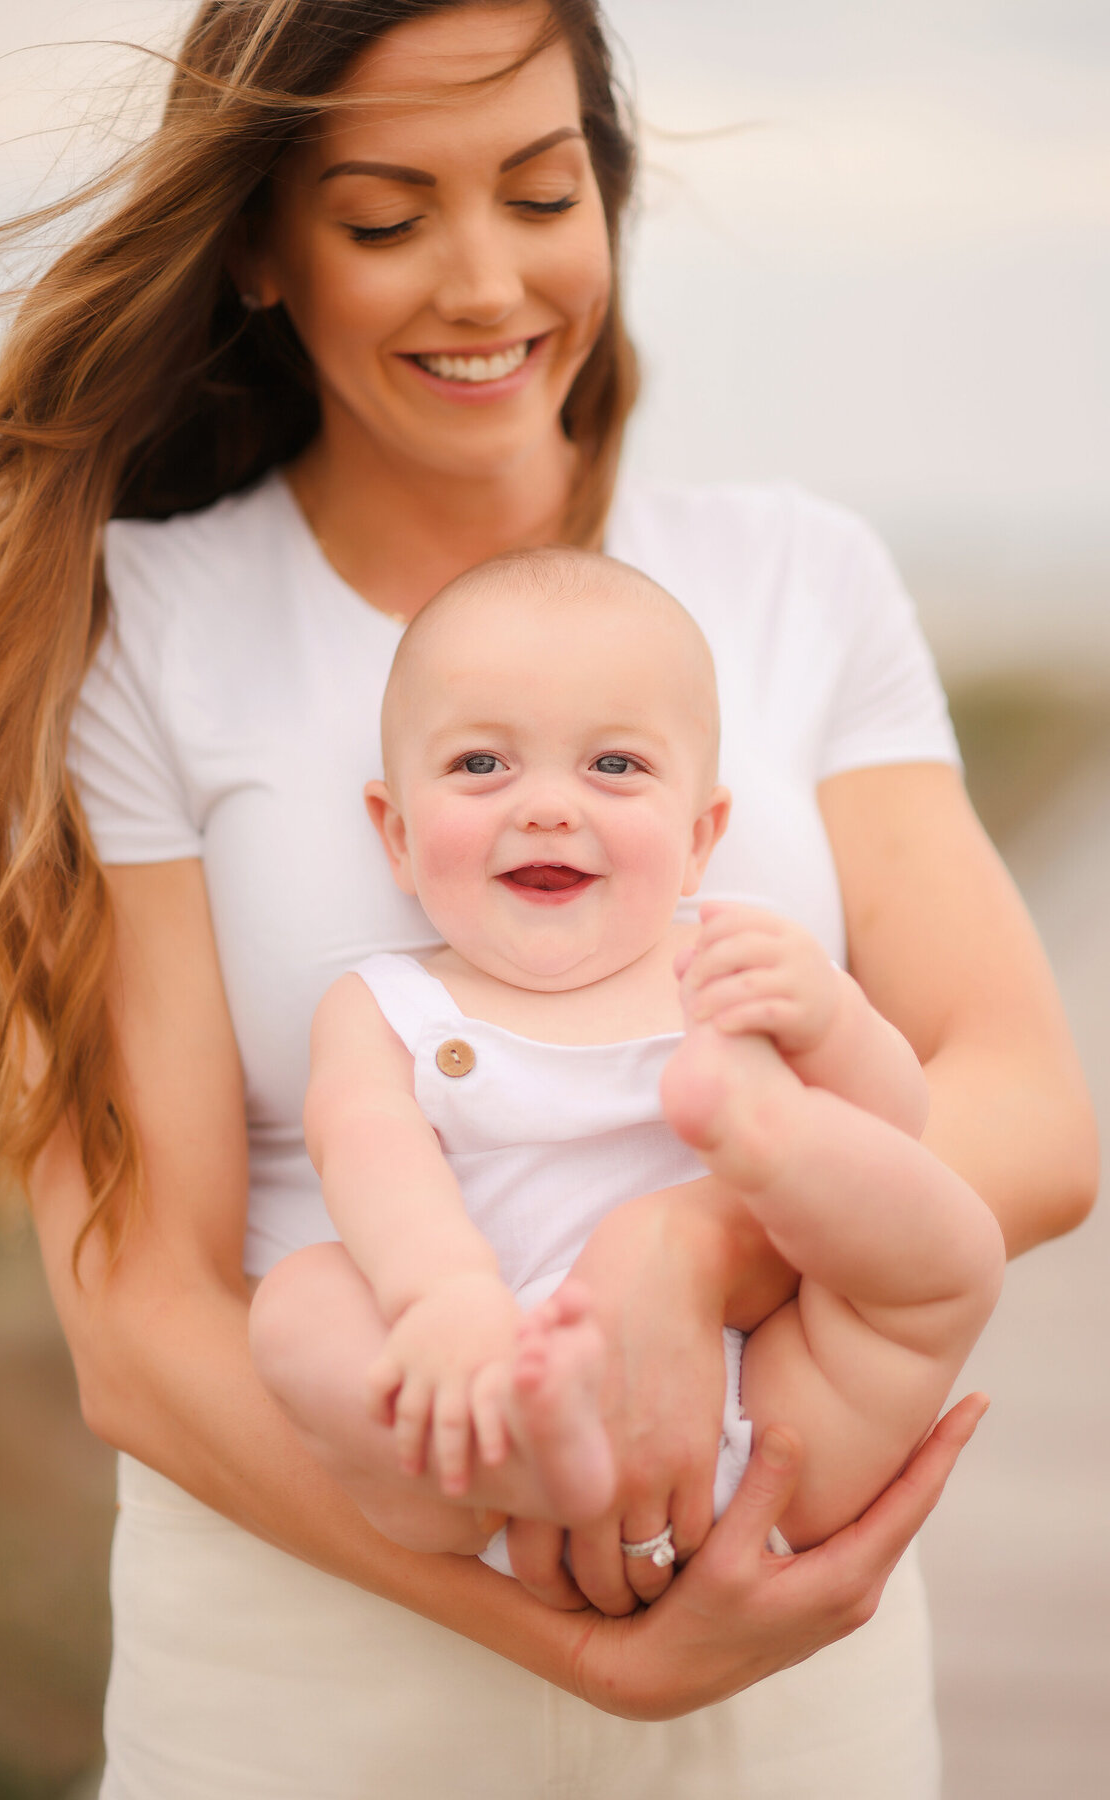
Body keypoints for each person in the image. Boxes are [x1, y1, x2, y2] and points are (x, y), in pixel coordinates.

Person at [0, 2, 1094, 1796]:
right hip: (317, 1655)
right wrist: (565, 1644)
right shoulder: (143, 630)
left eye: (543, 194)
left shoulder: (793, 578)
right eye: (388, 218)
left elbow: (1025, 1106)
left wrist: (692, 1251)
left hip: (776, 1624)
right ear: (257, 251)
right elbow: (141, 1326)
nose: (484, 283)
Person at [251, 547, 1006, 1577]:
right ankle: (526, 1463)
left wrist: (832, 1022)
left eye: (614, 766)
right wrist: (448, 1302)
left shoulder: (736, 962)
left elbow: (895, 1122)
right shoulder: (391, 1008)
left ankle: (769, 1145)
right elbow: (368, 1150)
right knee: (297, 1306)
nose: (550, 806)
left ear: (700, 840)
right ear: (396, 835)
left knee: (949, 1252)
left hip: (779, 1407)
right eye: (482, 765)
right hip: (493, 1389)